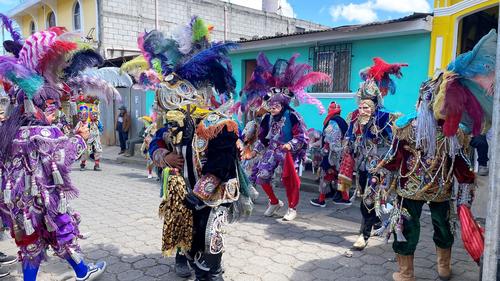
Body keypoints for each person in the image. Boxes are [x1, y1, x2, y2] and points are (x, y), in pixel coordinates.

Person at [123, 17, 253, 281]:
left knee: (209, 235)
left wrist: (201, 190)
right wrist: (164, 155)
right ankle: (190, 260)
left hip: (209, 193)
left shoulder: (218, 124)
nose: (172, 110)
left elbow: (223, 161)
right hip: (179, 185)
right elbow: (156, 142)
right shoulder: (172, 126)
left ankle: (211, 269)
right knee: (186, 231)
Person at [374, 30, 496, 281]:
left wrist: (465, 184)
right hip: (420, 189)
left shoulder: (449, 134)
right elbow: (397, 157)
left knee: (437, 226)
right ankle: (416, 270)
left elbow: (458, 162)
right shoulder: (412, 127)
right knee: (416, 226)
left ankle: (434, 267)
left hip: (434, 188)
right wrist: (384, 180)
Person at [0, 17, 115, 280]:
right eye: (50, 106)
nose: (53, 112)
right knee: (62, 234)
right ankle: (83, 272)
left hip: (19, 204)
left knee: (29, 244)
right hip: (47, 198)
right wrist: (80, 137)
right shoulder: (44, 131)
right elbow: (62, 157)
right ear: (37, 104)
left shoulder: (8, 132)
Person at [244, 53, 329, 221]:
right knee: (262, 176)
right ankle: (274, 202)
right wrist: (254, 152)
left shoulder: (292, 116)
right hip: (272, 150)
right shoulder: (268, 117)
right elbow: (263, 138)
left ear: (283, 104)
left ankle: (292, 208)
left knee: (291, 181)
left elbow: (302, 136)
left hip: (289, 152)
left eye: (276, 105)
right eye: (270, 104)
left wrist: (290, 145)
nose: (272, 107)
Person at [338, 58, 407, 250]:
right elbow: (350, 139)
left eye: (367, 106)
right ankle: (375, 221)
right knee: (363, 196)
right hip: (362, 165)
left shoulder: (385, 117)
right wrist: (347, 148)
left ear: (375, 104)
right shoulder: (354, 118)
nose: (363, 109)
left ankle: (364, 235)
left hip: (379, 166)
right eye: (361, 105)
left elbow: (395, 140)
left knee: (368, 198)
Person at [310, 102, 349, 207]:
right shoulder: (342, 121)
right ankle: (345, 198)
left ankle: (321, 200)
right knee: (338, 176)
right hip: (341, 154)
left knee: (326, 175)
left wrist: (325, 152)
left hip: (333, 154)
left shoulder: (333, 122)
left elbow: (331, 140)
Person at [77, 97, 104, 171]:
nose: (94, 115)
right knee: (86, 151)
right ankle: (82, 164)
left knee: (98, 151)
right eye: (92, 114)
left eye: (95, 114)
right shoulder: (88, 123)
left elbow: (101, 129)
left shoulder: (98, 122)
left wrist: (99, 133)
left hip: (96, 139)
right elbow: (85, 130)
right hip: (89, 139)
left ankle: (97, 165)